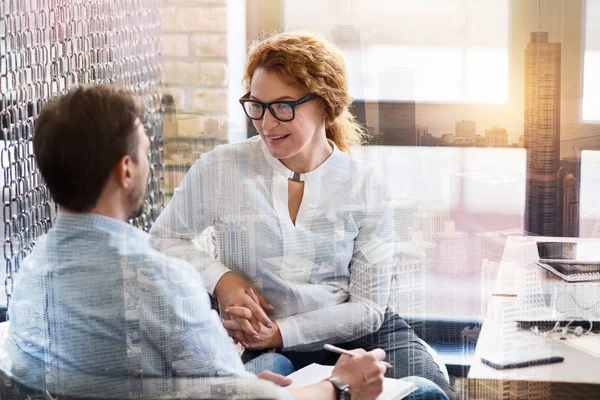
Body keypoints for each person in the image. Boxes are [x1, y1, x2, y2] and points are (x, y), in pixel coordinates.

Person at [6, 84, 391, 400]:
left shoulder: (30, 275)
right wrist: (339, 385)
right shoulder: (160, 281)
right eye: (144, 152)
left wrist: (243, 386)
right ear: (126, 170)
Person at [150, 32, 453, 400]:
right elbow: (163, 240)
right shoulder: (222, 169)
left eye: (283, 106)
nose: (266, 123)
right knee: (262, 387)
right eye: (257, 105)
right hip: (262, 343)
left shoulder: (364, 185)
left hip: (360, 333)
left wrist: (280, 331)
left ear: (325, 106)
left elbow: (369, 309)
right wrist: (222, 279)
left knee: (429, 392)